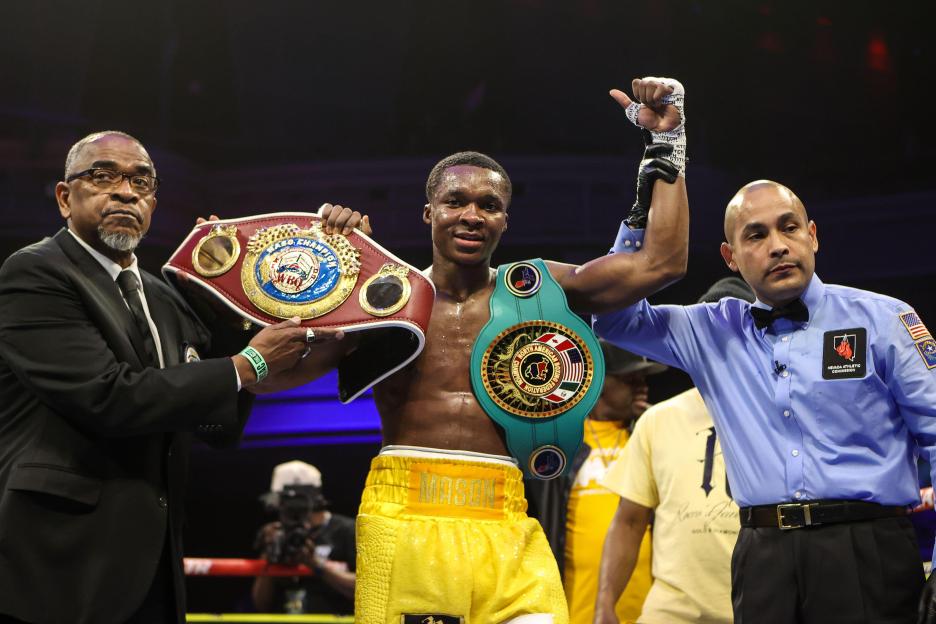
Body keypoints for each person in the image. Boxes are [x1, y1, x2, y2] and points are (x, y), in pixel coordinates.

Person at [256, 76, 690, 624]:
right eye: (455, 201)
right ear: (428, 212)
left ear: (505, 219)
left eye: (489, 204)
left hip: (506, 513)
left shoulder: (539, 290)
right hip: (403, 512)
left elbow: (662, 264)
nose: (471, 215)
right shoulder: (383, 301)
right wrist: (326, 281)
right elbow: (270, 377)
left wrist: (668, 142)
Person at [0, 131, 337, 624]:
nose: (125, 191)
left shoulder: (161, 295)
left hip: (151, 559)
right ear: (64, 198)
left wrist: (226, 298)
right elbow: (108, 398)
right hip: (59, 560)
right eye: (103, 175)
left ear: (153, 202)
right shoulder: (35, 274)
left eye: (141, 181)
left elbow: (212, 421)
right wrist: (249, 364)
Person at [593, 180, 936, 623]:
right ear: (730, 257)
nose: (777, 246)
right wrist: (641, 221)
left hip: (867, 548)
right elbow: (612, 314)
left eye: (789, 228)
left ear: (812, 235)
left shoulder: (883, 319)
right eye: (756, 235)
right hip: (763, 557)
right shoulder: (711, 330)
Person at [594, 277, 755, 624]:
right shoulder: (658, 420)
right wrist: (605, 603)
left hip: (760, 606)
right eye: (710, 335)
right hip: (672, 613)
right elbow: (629, 520)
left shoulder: (782, 417)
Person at [527, 341, 667, 624]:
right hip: (576, 609)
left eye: (644, 378)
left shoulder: (652, 437)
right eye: (630, 378)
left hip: (653, 611)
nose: (642, 385)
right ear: (598, 382)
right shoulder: (560, 447)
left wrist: (651, 422)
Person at [252, 461, 355, 615]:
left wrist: (316, 565)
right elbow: (261, 604)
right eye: (288, 502)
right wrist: (269, 555)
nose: (294, 508)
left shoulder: (346, 530)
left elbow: (368, 591)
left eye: (299, 501)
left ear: (315, 498)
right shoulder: (278, 536)